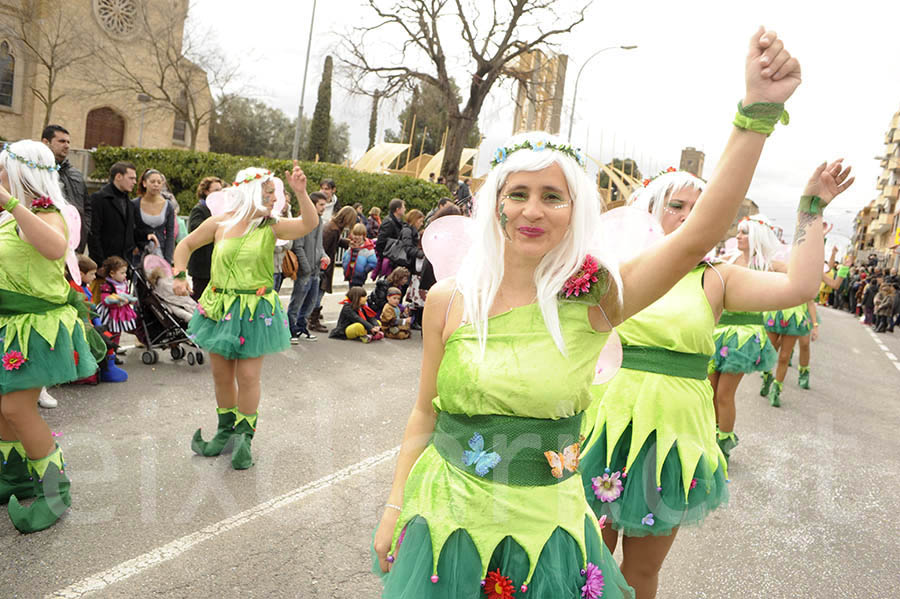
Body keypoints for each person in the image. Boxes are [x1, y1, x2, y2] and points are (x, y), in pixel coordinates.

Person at [373, 29, 810, 599]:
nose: (532, 210)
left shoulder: (596, 299)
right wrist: (393, 506)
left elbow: (695, 235)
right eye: (518, 193)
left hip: (545, 532)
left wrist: (756, 113)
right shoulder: (447, 300)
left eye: (552, 196)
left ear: (575, 210)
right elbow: (423, 416)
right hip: (445, 525)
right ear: (496, 205)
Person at [171, 163, 318, 470]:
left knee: (248, 376)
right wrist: (179, 274)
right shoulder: (219, 223)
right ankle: (224, 432)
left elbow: (308, 223)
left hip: (255, 308)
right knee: (221, 375)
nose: (272, 199)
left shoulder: (271, 226)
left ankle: (244, 437)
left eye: (273, 194)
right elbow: (185, 244)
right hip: (219, 307)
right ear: (250, 193)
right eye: (267, 193)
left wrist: (301, 193)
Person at [0, 139, 98, 532]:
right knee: (2, 407)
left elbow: (57, 247)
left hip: (36, 328)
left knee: (15, 408)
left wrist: (10, 203)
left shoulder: (49, 212)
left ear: (20, 171)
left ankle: (55, 493)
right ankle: (15, 475)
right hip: (9, 324)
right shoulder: (12, 216)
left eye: (4, 167)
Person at [708, 215, 781, 460]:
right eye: (738, 232)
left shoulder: (767, 266)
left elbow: (802, 278)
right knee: (708, 392)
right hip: (717, 332)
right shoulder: (725, 260)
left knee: (724, 395)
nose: (738, 236)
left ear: (757, 237)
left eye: (744, 232)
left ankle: (722, 446)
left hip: (743, 336)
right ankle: (708, 438)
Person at [41, 125, 90, 253]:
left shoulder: (76, 175)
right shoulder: (37, 172)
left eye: (68, 142)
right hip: (47, 243)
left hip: (75, 247)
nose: (67, 145)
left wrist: (84, 230)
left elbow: (87, 207)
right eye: (61, 141)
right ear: (46, 142)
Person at [288, 192, 328, 343]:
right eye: (321, 205)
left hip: (316, 271)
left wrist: (324, 255)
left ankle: (301, 328)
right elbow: (297, 247)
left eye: (325, 205)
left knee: (310, 303)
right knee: (296, 302)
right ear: (312, 204)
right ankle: (291, 330)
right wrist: (306, 268)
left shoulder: (320, 221)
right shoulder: (302, 221)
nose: (324, 208)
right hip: (305, 271)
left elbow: (320, 245)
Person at [310, 206, 357, 333]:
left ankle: (312, 317)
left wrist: (347, 243)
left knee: (318, 292)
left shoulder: (333, 227)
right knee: (318, 293)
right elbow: (324, 247)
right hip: (323, 266)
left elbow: (333, 242)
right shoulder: (333, 230)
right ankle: (313, 320)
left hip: (324, 264)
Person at [88, 161, 139, 266]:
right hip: (104, 265)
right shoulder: (98, 199)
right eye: (131, 178)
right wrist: (101, 263)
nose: (135, 182)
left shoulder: (130, 203)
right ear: (119, 176)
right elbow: (93, 234)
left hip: (123, 267)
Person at [188, 176, 224, 301]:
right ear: (206, 191)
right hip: (202, 266)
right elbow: (196, 230)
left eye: (221, 190)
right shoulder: (199, 209)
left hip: (215, 265)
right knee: (200, 300)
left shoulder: (220, 210)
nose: (220, 193)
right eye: (216, 190)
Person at [134, 169, 176, 264]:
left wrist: (168, 259)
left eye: (159, 182)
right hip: (139, 254)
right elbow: (130, 229)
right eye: (152, 181)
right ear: (144, 183)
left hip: (160, 253)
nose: (156, 185)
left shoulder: (168, 206)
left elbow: (170, 234)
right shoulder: (135, 204)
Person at [375, 198, 407, 275]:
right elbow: (381, 242)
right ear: (398, 209)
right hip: (390, 261)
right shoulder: (389, 222)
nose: (405, 209)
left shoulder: (398, 222)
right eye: (403, 207)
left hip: (394, 259)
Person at [343, 223, 377, 287]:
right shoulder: (351, 245)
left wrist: (364, 271)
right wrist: (344, 264)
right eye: (355, 234)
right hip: (349, 274)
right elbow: (346, 256)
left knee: (357, 292)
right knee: (351, 292)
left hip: (359, 276)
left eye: (359, 235)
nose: (356, 237)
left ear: (363, 236)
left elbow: (373, 262)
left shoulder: (368, 248)